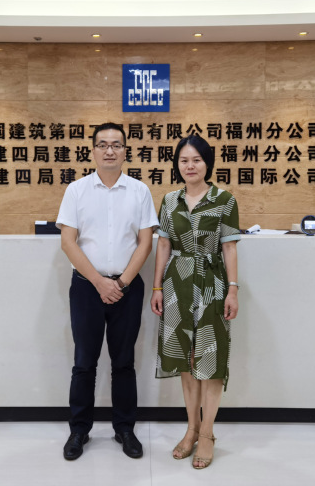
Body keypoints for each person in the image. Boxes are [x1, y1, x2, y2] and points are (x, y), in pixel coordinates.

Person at [56, 122, 159, 461]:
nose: (110, 150)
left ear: (125, 151)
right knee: (84, 363)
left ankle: (125, 429)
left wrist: (122, 282)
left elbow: (145, 242)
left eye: (116, 144)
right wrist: (99, 282)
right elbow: (68, 242)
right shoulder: (77, 190)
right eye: (103, 144)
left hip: (127, 289)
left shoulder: (139, 191)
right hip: (87, 288)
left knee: (124, 362)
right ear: (93, 151)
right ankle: (79, 430)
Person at [150, 133, 241, 469]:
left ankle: (207, 434)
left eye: (196, 160)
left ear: (207, 164)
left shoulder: (224, 200)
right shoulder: (169, 200)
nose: (190, 166)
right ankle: (190, 429)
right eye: (184, 160)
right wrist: (157, 287)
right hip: (176, 285)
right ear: (177, 165)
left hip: (212, 285)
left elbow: (229, 247)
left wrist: (233, 289)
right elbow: (163, 245)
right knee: (185, 361)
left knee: (209, 360)